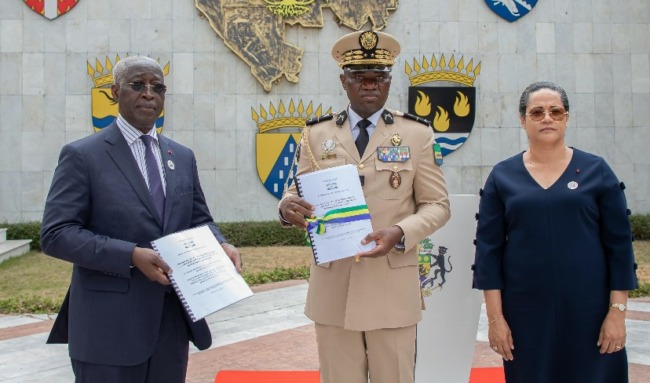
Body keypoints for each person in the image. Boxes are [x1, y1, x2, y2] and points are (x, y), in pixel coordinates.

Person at [41, 55, 242, 383]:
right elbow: (56, 234)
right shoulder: (83, 155)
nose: (149, 94)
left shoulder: (182, 156)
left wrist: (220, 242)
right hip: (107, 329)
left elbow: (199, 218)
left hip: (170, 325)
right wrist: (130, 256)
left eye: (158, 87)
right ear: (115, 91)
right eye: (138, 85)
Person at [279, 30, 450, 383]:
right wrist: (286, 208)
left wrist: (401, 232)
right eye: (360, 77)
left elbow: (437, 205)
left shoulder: (417, 134)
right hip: (334, 289)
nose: (370, 84)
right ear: (344, 81)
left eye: (379, 77)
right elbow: (294, 191)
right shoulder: (316, 134)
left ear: (389, 82)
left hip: (391, 289)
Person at [472, 81, 638, 383]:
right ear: (523, 120)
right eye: (537, 112)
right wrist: (496, 320)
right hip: (526, 314)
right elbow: (488, 251)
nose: (547, 118)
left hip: (591, 312)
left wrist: (617, 313)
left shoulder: (597, 170)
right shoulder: (502, 176)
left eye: (555, 111)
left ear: (566, 118)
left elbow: (620, 247)